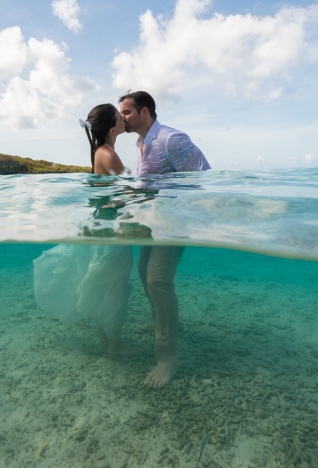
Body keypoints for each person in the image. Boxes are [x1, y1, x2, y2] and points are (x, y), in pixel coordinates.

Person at [119, 90, 210, 387]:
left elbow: (202, 179)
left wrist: (182, 216)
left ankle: (167, 356)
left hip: (175, 222)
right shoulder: (141, 142)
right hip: (153, 221)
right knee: (144, 275)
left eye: (127, 112)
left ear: (145, 112)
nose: (123, 118)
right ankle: (162, 321)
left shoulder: (172, 139)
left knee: (158, 280)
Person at [33, 104, 134, 355]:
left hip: (103, 224)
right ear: (113, 128)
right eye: (119, 117)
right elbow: (129, 193)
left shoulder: (99, 151)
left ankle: (106, 342)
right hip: (112, 228)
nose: (124, 119)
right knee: (115, 286)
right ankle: (115, 345)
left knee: (102, 283)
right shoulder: (108, 154)